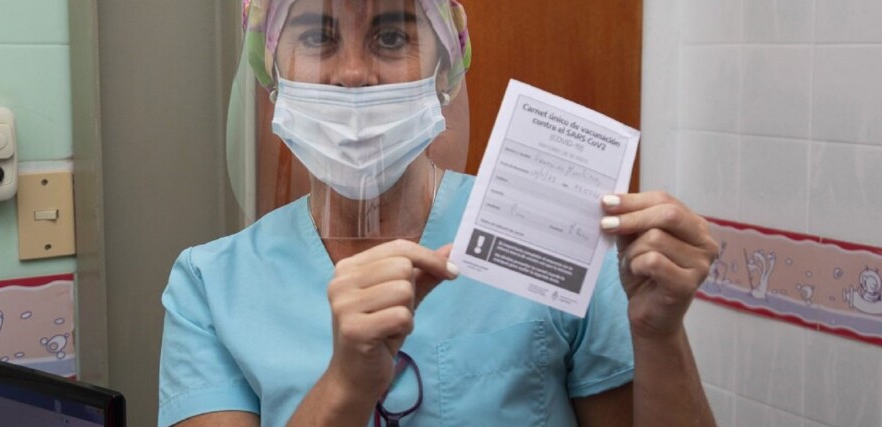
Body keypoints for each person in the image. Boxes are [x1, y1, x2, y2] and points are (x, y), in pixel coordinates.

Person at [159, 0, 719, 426]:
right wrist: (346, 385)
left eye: (391, 36)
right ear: (270, 67)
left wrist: (659, 335)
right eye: (317, 36)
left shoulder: (549, 234)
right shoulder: (210, 286)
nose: (353, 74)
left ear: (445, 66)